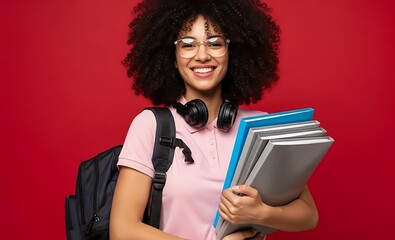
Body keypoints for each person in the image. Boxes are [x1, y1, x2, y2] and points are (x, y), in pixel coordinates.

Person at [110, 0, 319, 239]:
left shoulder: (261, 127)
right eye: (188, 45)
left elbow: (309, 215)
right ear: (172, 56)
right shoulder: (151, 126)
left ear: (233, 52)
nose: (202, 55)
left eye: (215, 43)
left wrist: (260, 213)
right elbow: (122, 230)